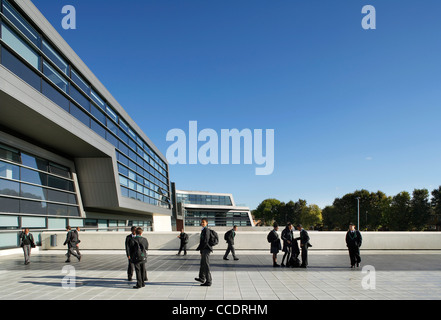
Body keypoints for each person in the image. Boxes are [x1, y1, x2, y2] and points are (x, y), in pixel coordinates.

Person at [195, 218, 212, 286]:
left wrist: (202, 250)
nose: (202, 223)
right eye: (201, 222)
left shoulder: (206, 230)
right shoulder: (203, 230)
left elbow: (205, 241)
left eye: (203, 222)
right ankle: (202, 278)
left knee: (206, 265)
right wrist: (201, 251)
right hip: (204, 249)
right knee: (202, 264)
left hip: (206, 249)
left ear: (206, 223)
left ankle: (208, 281)